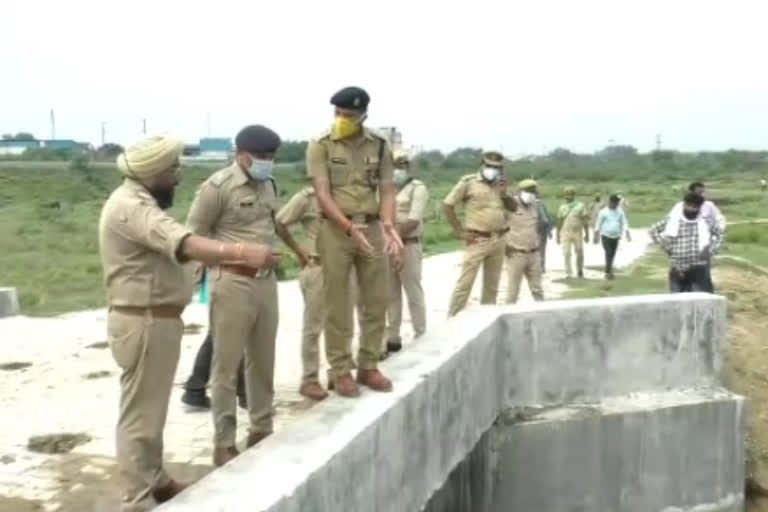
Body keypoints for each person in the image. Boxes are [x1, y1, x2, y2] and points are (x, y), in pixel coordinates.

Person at [99, 135, 278, 511]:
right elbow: (187, 242)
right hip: (143, 321)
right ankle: (137, 498)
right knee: (140, 418)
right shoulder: (131, 207)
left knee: (153, 411)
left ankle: (157, 480)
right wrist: (242, 251)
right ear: (152, 173)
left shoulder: (142, 201)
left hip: (156, 320)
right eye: (172, 170)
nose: (178, 178)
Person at [185, 125, 282, 467]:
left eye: (272, 157)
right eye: (263, 157)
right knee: (225, 366)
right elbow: (193, 237)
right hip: (231, 282)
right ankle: (223, 442)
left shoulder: (269, 184)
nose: (267, 163)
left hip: (266, 282)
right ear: (242, 154)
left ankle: (261, 428)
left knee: (263, 360)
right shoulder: (217, 187)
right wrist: (231, 261)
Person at [307, 86, 403, 397]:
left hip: (372, 226)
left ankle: (368, 365)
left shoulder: (378, 145)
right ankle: (340, 369)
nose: (341, 119)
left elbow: (387, 189)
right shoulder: (320, 144)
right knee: (337, 303)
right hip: (336, 230)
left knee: (377, 299)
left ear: (363, 115)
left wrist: (389, 225)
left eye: (348, 115)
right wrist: (348, 228)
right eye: (338, 113)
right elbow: (322, 194)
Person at [275, 184, 365, 400]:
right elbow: (279, 222)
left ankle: (339, 373)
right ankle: (309, 379)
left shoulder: (351, 193)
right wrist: (299, 250)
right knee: (313, 327)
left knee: (343, 323)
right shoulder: (308, 197)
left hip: (346, 267)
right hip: (319, 267)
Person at [443, 149, 513, 316]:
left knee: (492, 286)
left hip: (499, 239)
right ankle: (452, 318)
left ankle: (486, 320)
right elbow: (448, 205)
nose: (492, 169)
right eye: (489, 165)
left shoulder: (501, 184)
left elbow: (514, 207)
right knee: (465, 284)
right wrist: (459, 231)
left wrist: (504, 194)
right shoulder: (469, 182)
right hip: (477, 239)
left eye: (496, 167)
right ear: (482, 165)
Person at [180, 268, 247, 410]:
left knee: (225, 333)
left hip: (227, 277)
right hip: (228, 278)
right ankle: (195, 388)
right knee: (222, 333)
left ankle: (244, 392)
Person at [384, 150, 429, 354]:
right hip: (388, 246)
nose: (398, 169)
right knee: (391, 293)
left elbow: (413, 220)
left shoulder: (417, 188)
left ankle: (421, 334)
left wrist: (394, 237)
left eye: (402, 165)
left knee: (413, 291)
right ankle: (392, 337)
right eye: (395, 165)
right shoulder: (386, 188)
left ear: (409, 167)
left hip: (408, 245)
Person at [649, 193, 723, 293]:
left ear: (699, 207)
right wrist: (666, 247)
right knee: (677, 301)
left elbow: (720, 235)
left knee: (699, 299)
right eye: (689, 205)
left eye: (695, 207)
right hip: (677, 268)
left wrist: (711, 251)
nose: (691, 209)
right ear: (684, 205)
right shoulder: (673, 220)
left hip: (699, 268)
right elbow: (653, 230)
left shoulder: (706, 221)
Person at [667, 181, 726, 291]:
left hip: (702, 251)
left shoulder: (709, 205)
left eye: (702, 192)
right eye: (698, 192)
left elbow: (719, 219)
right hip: (681, 252)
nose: (700, 194)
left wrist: (713, 245)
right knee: (679, 283)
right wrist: (669, 246)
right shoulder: (679, 207)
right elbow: (669, 224)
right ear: (690, 192)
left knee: (703, 280)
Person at [504, 179, 544, 303]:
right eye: (529, 191)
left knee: (537, 290)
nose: (531, 194)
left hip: (534, 254)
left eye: (533, 192)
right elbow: (499, 226)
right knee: (513, 291)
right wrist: (505, 245)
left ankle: (542, 315)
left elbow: (539, 227)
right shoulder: (510, 206)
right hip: (516, 254)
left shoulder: (535, 206)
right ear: (520, 191)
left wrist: (539, 247)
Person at [593, 194, 631, 280]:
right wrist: (596, 236)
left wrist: (627, 233)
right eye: (615, 203)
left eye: (618, 203)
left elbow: (624, 222)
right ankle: (608, 272)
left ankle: (609, 270)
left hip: (616, 236)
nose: (617, 205)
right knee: (608, 252)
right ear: (611, 202)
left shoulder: (620, 211)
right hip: (605, 236)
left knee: (612, 254)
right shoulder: (604, 212)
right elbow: (598, 224)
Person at [556, 186, 590, 278]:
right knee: (566, 253)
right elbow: (559, 221)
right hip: (565, 232)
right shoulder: (562, 207)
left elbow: (585, 221)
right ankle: (568, 272)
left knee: (579, 251)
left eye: (569, 194)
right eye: (565, 194)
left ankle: (579, 270)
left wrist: (587, 234)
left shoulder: (580, 206)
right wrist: (557, 235)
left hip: (577, 232)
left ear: (573, 195)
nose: (567, 196)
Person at [536, 196, 554, 273]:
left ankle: (540, 267)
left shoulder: (538, 205)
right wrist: (549, 230)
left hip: (538, 230)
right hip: (541, 230)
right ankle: (541, 267)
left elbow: (546, 219)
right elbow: (548, 218)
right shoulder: (542, 204)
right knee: (542, 249)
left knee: (539, 249)